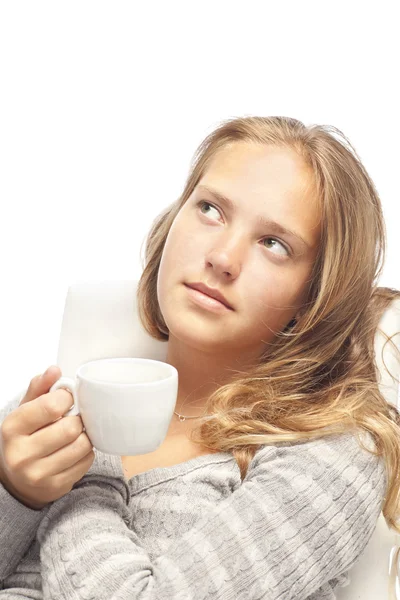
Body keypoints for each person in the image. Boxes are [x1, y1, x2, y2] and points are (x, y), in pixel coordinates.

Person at [1, 115, 400, 599]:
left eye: (274, 244)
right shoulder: (51, 413)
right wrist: (16, 491)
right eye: (211, 209)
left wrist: (80, 484)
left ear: (314, 299)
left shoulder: (332, 460)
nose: (223, 257)